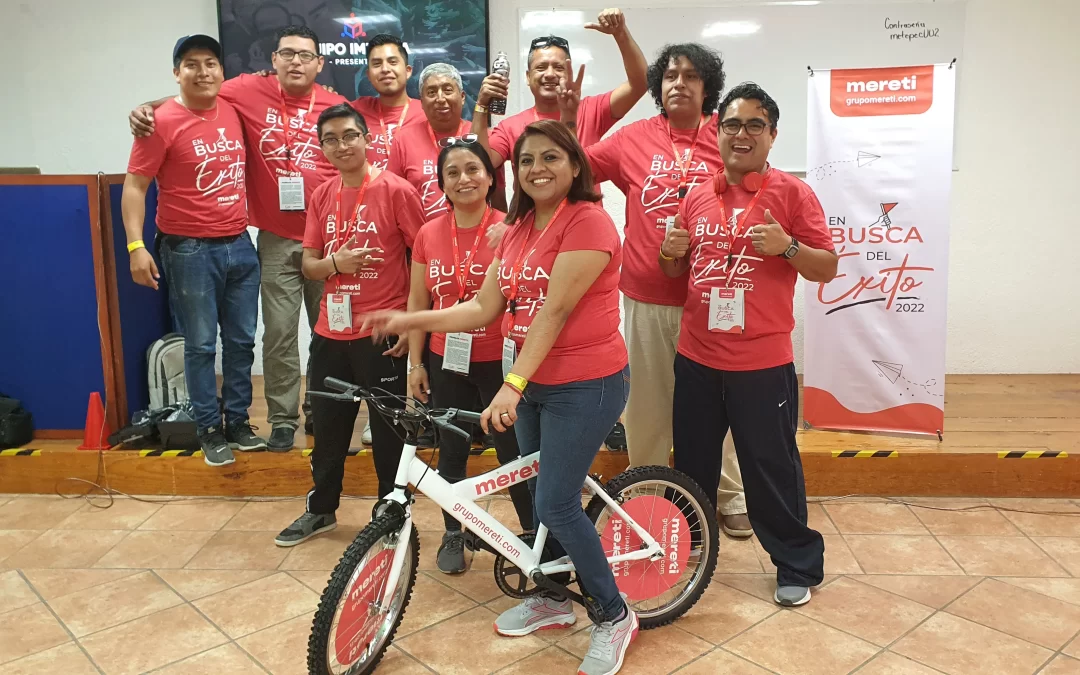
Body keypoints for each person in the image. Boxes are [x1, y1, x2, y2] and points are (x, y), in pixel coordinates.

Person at [364, 119, 637, 675]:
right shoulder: (519, 228)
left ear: (576, 165)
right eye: (527, 160)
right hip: (534, 381)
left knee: (556, 503)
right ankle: (555, 597)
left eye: (551, 157)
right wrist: (410, 318)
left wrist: (511, 386)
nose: (537, 168)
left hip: (586, 383)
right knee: (539, 494)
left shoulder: (588, 222)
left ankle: (614, 614)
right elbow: (483, 308)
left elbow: (554, 312)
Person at [659, 82, 838, 606]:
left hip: (761, 364)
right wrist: (670, 253)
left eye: (755, 125)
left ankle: (796, 564)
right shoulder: (697, 195)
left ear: (772, 135)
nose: (742, 134)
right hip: (697, 357)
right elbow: (676, 272)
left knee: (770, 466)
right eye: (732, 125)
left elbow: (827, 268)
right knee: (692, 462)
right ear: (717, 133)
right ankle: (689, 546)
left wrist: (788, 247)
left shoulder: (793, 193)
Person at [129, 26, 348, 450]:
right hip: (276, 239)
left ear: (320, 63)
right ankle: (281, 420)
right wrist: (145, 107)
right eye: (288, 53)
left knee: (331, 334)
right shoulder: (247, 90)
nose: (296, 62)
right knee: (278, 335)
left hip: (330, 240)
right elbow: (195, 93)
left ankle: (325, 412)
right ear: (273, 59)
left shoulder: (336, 106)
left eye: (305, 55)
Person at [584, 43, 751, 537]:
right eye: (671, 75)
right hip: (647, 296)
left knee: (720, 405)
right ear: (658, 85)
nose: (679, 83)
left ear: (708, 86)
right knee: (647, 406)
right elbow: (577, 170)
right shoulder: (632, 138)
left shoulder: (728, 134)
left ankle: (729, 494)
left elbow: (756, 192)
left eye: (691, 76)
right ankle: (648, 495)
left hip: (714, 297)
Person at [275, 103, 425, 547]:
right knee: (327, 429)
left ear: (366, 139)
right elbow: (308, 265)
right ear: (322, 147)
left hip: (381, 331)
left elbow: (423, 257)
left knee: (388, 432)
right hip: (330, 332)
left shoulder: (396, 190)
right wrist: (336, 264)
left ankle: (391, 514)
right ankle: (321, 509)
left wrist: (410, 324)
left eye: (349, 136)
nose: (341, 146)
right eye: (331, 140)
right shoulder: (322, 194)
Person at [122, 35, 262, 466]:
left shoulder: (233, 108)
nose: (203, 72)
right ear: (176, 72)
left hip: (240, 243)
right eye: (191, 64)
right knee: (200, 345)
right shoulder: (160, 122)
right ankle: (208, 429)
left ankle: (238, 422)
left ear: (222, 70)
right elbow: (135, 186)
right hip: (189, 250)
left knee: (241, 342)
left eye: (210, 63)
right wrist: (135, 246)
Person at [405, 137, 534, 574]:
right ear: (442, 184)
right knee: (452, 451)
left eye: (473, 169)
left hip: (500, 362)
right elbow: (419, 302)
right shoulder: (428, 233)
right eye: (453, 172)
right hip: (446, 361)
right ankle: (454, 532)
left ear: (491, 178)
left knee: (513, 454)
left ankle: (533, 536)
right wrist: (416, 363)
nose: (464, 179)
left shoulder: (511, 228)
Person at [471, 8, 648, 210]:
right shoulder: (509, 127)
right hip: (532, 224)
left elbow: (640, 84)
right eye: (541, 67)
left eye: (558, 67)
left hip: (585, 221)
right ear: (528, 77)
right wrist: (481, 105)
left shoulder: (591, 109)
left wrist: (621, 34)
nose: (549, 74)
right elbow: (480, 163)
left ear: (569, 72)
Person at [387, 63, 472, 222]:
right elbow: (392, 198)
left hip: (476, 233)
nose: (440, 99)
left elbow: (497, 193)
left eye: (448, 90)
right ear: (421, 102)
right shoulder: (403, 140)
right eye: (431, 92)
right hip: (419, 235)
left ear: (462, 97)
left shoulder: (479, 136)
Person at [351, 34, 427, 171]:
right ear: (369, 75)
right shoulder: (353, 112)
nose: (385, 69)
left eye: (392, 62)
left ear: (408, 71)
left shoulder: (427, 113)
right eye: (377, 64)